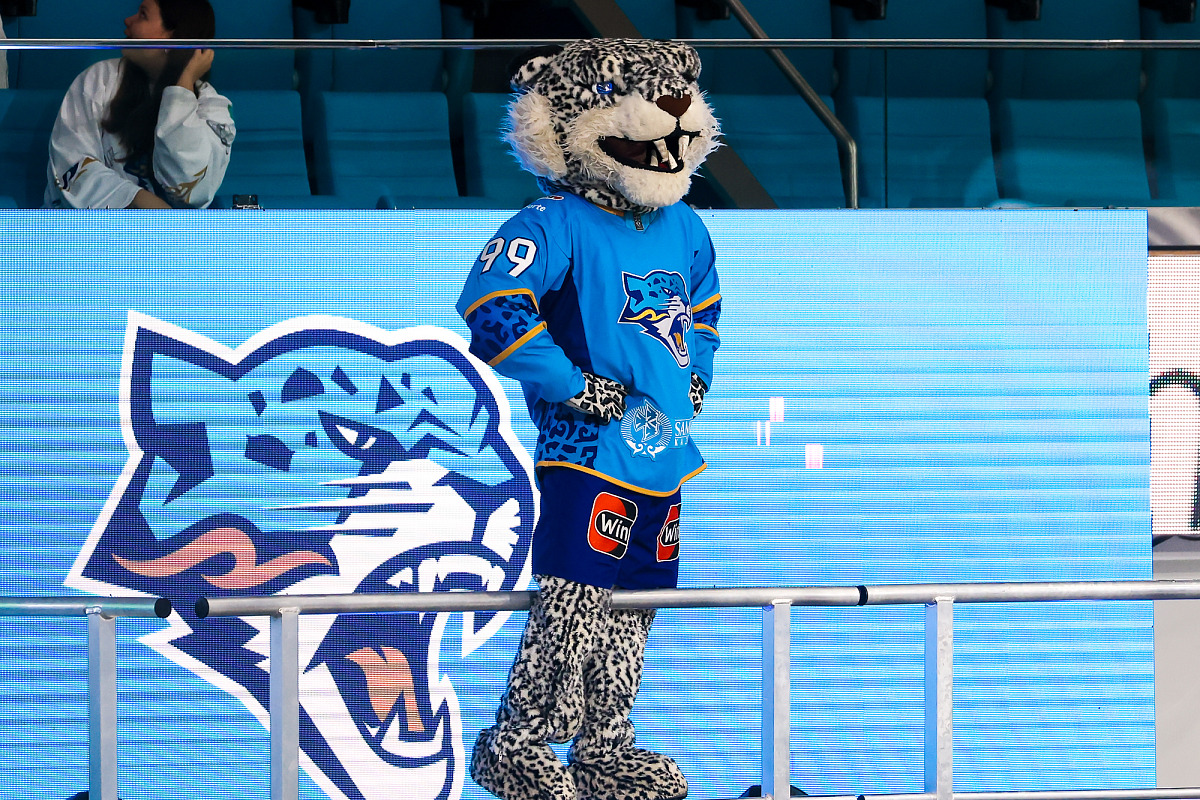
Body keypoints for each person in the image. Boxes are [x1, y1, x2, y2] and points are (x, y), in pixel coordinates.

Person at [457, 39, 722, 800]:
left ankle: (606, 746)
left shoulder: (687, 228)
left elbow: (703, 313)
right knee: (572, 599)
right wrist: (574, 387)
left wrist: (695, 381)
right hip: (588, 449)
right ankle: (518, 741)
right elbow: (490, 308)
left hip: (664, 450)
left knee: (636, 604)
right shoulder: (551, 222)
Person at [44, 0, 234, 209]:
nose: (127, 20)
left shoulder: (212, 107)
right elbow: (73, 166)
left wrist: (183, 85)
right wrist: (142, 202)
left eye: (143, 14)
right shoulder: (99, 80)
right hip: (94, 227)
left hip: (172, 230)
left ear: (172, 36)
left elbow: (189, 191)